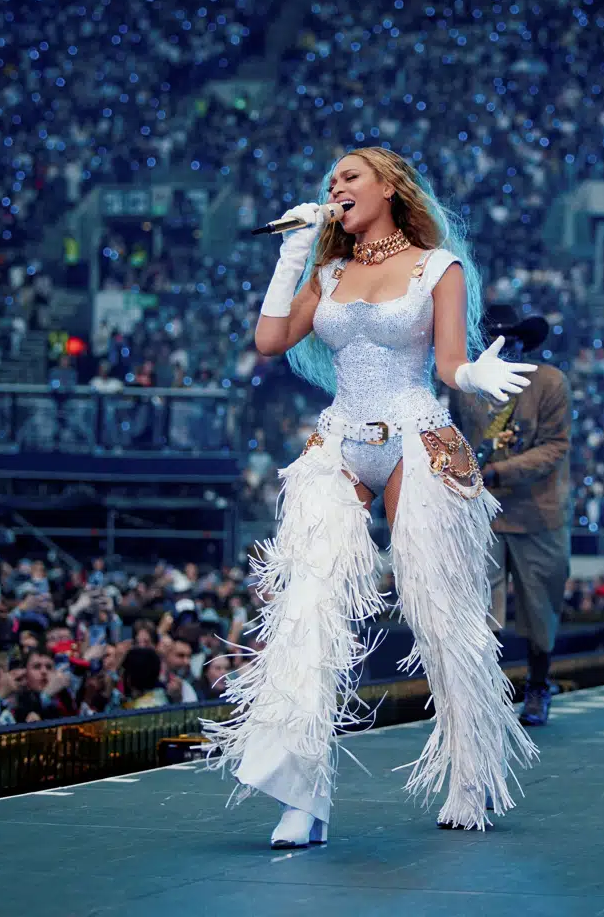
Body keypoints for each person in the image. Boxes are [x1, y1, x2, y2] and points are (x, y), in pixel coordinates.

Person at [203, 147, 540, 847]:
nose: (336, 187)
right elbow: (269, 339)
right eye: (331, 181)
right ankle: (302, 795)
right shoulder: (327, 271)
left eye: (349, 177)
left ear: (388, 188)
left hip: (418, 439)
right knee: (308, 606)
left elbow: (448, 363)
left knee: (439, 609)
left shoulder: (435, 266)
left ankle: (471, 773)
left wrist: (473, 375)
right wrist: (293, 250)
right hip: (339, 440)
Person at [450, 305, 572, 727]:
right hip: (482, 513)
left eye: (511, 341)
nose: (504, 348)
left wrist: (499, 470)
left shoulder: (550, 383)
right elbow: (451, 436)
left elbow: (555, 447)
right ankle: (485, 693)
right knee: (481, 610)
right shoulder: (465, 385)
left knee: (541, 609)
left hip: (538, 515)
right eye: (495, 340)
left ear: (524, 344)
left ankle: (538, 686)